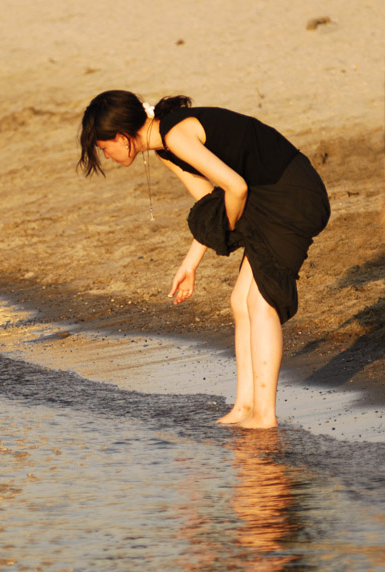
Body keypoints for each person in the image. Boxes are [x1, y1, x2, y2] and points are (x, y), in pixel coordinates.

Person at [78, 90, 330, 429]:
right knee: (239, 300)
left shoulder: (176, 135)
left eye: (104, 148)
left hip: (291, 196)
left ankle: (265, 417)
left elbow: (236, 189)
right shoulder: (166, 147)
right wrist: (190, 264)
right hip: (267, 196)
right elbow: (211, 204)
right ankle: (244, 407)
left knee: (260, 302)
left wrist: (227, 230)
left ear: (122, 138)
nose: (105, 156)